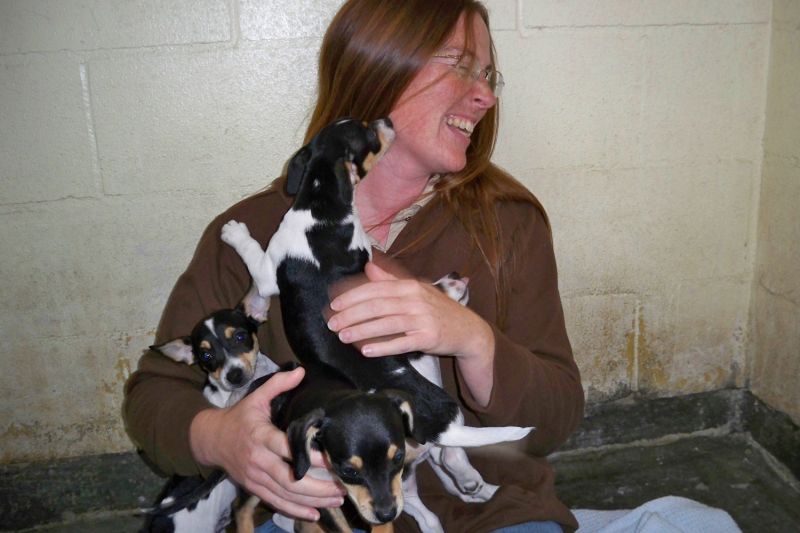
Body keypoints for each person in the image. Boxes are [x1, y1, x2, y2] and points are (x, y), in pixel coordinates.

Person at [123, 1, 585, 532]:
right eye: (458, 64)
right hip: (316, 519)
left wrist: (474, 341)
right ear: (375, 67)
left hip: (492, 516)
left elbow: (556, 420)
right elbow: (154, 397)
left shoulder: (510, 224)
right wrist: (222, 440)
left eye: (487, 73)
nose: (485, 94)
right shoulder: (254, 231)